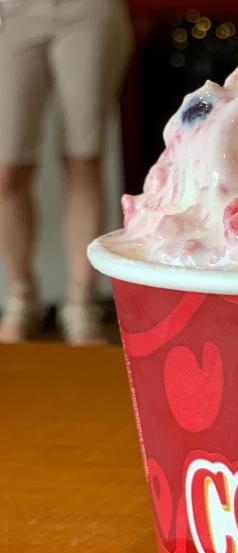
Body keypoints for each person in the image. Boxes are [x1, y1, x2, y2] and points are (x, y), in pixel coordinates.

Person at [0, 0, 131, 344]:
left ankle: (81, 304)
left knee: (84, 158)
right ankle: (22, 298)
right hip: (11, 15)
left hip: (86, 11)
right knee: (7, 171)